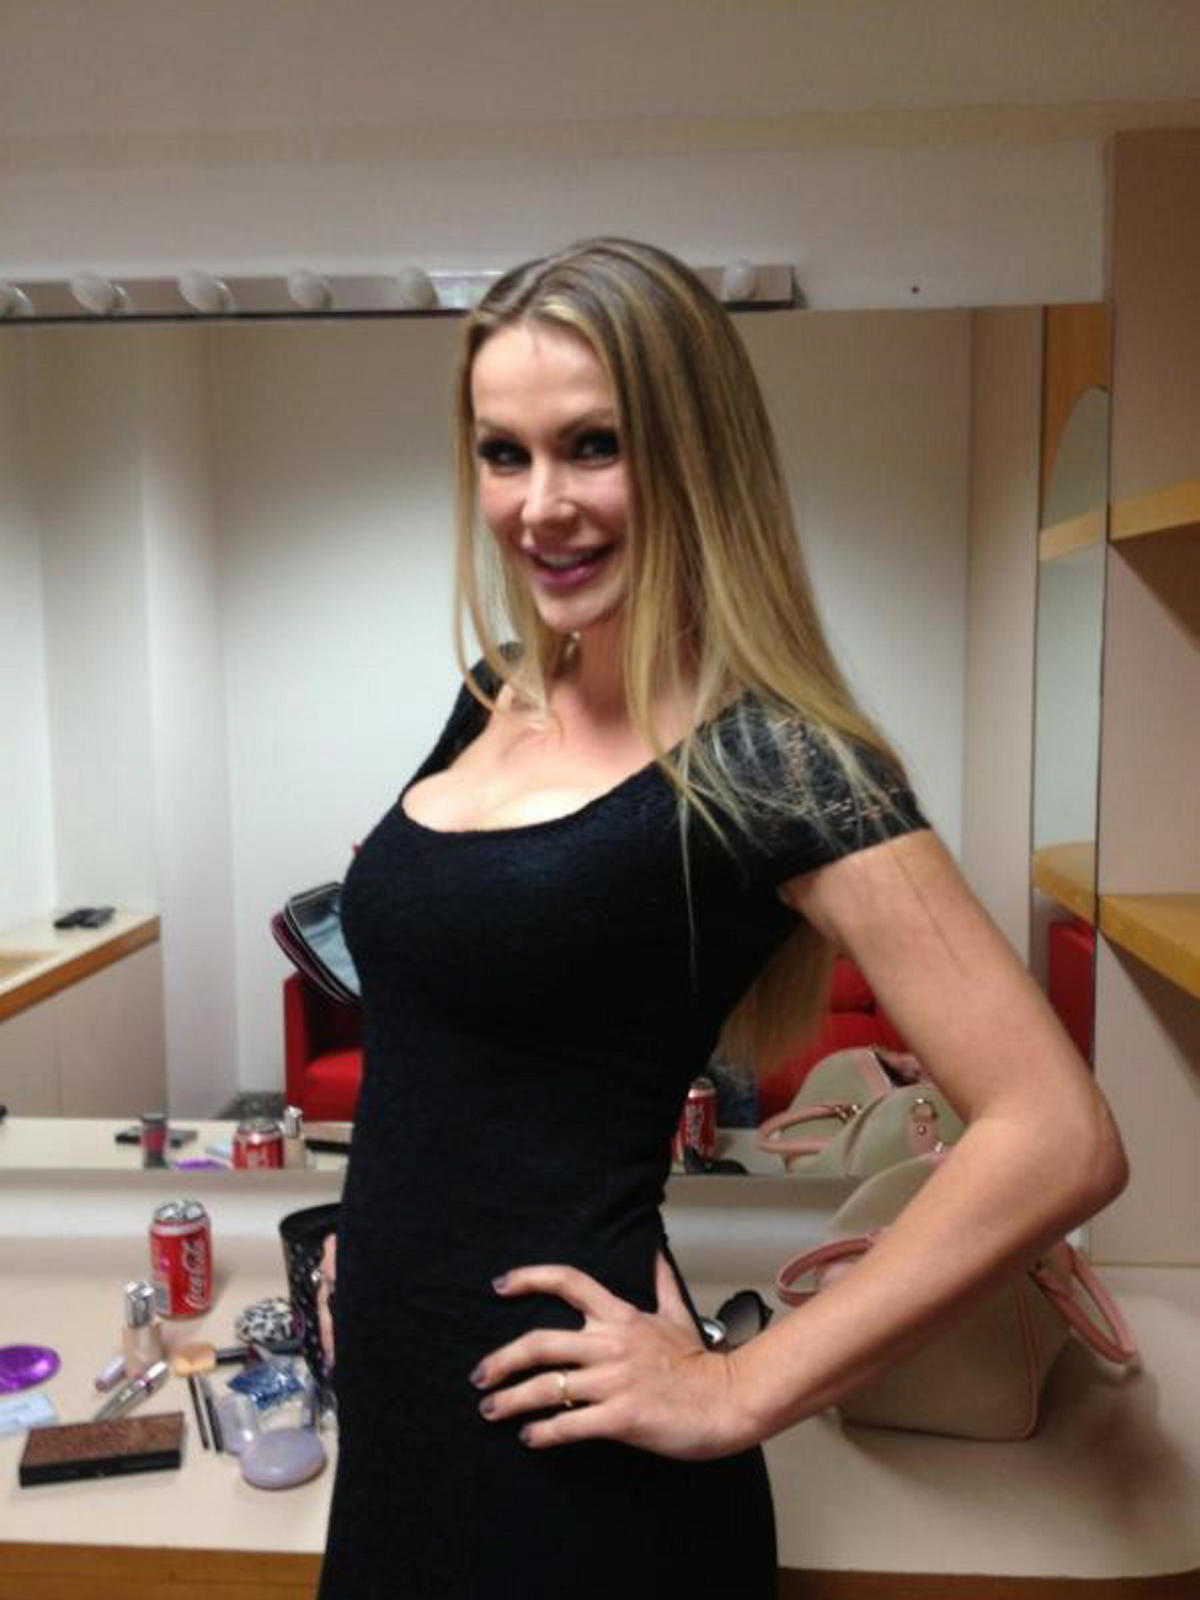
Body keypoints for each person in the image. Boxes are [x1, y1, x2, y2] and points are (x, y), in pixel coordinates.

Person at [316, 238, 1127, 1599]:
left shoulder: (779, 763)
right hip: (398, 1417)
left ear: (696, 455)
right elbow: (457, 1046)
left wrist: (742, 1388)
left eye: (594, 445)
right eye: (505, 453)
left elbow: (1059, 1135)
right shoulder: (492, 693)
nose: (541, 504)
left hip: (569, 1466)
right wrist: (377, 1240)